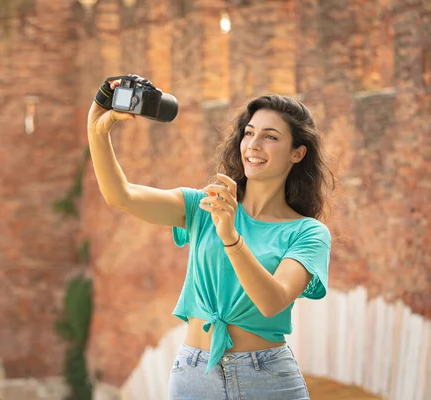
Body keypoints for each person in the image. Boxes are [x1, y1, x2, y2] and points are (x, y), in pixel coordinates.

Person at [87, 79, 335, 400]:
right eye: (249, 133)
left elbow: (272, 302)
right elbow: (122, 195)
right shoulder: (205, 205)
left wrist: (230, 236)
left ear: (297, 153)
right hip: (193, 374)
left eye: (270, 137)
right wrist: (97, 127)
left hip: (266, 379)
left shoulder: (307, 233)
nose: (253, 144)